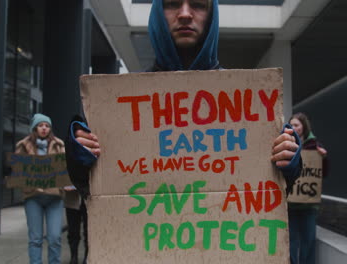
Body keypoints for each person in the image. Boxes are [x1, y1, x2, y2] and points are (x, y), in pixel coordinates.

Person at [65, 0, 302, 201]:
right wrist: (80, 156)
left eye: (198, 5)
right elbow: (92, 190)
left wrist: (288, 158)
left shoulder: (250, 102)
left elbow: (277, 191)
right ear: (158, 12)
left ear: (212, 15)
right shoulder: (117, 104)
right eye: (173, 4)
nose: (186, 14)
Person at [15, 113, 65, 264]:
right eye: (41, 125)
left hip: (54, 197)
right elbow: (18, 170)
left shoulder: (58, 144)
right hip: (33, 196)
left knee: (55, 237)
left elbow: (64, 168)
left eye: (47, 125)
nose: (44, 128)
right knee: (35, 238)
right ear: (34, 128)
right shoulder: (23, 145)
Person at [287, 112, 328, 264]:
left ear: (304, 126)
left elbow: (323, 172)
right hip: (291, 204)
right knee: (290, 240)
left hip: (309, 205)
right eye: (291, 125)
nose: (293, 128)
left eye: (296, 125)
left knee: (308, 240)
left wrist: (322, 158)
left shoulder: (315, 145)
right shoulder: (286, 144)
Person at [63, 186, 88, 264]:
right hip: (71, 196)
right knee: (72, 229)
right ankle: (73, 255)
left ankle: (88, 255)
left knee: (88, 230)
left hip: (88, 195)